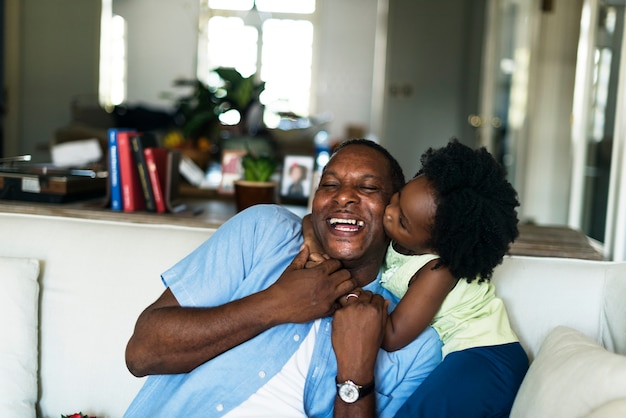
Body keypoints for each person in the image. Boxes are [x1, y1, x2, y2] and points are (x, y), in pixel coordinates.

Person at [123, 139, 442, 418]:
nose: (343, 197)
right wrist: (275, 304)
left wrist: (355, 373)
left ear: (395, 210)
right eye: (329, 185)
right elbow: (141, 354)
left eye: (368, 187)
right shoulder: (263, 233)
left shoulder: (415, 347)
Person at [304, 139, 529, 417]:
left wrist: (340, 288)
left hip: (486, 358)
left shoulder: (438, 270)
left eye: (402, 221)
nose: (388, 212)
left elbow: (392, 335)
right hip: (471, 357)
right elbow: (311, 221)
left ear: (433, 244)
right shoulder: (402, 241)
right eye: (397, 199)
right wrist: (315, 246)